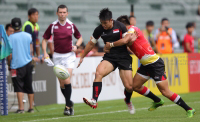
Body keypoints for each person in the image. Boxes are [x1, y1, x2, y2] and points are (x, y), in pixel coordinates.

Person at [104, 15, 196, 118]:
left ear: (122, 24)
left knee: (165, 92)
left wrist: (111, 45)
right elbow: (126, 41)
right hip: (146, 65)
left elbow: (126, 41)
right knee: (135, 86)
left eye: (119, 26)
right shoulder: (128, 33)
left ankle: (189, 109)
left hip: (155, 64)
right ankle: (157, 100)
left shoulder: (132, 29)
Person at [77, 8, 136, 115]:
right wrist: (82, 56)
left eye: (105, 23)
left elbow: (126, 42)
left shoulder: (120, 26)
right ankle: (94, 100)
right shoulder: (99, 29)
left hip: (123, 57)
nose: (103, 25)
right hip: (110, 57)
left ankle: (127, 100)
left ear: (111, 20)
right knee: (98, 72)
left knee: (129, 87)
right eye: (101, 23)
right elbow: (91, 44)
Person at [42, 4, 83, 116]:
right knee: (61, 84)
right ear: (57, 13)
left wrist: (77, 46)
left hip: (69, 56)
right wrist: (45, 53)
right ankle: (69, 102)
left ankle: (68, 107)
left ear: (67, 13)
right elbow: (44, 39)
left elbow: (80, 37)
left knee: (67, 79)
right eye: (60, 12)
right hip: (57, 56)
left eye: (64, 12)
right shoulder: (53, 26)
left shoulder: (71, 25)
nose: (62, 14)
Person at [7, 18, 39, 113]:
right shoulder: (28, 36)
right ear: (21, 26)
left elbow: (10, 54)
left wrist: (9, 64)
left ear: (12, 27)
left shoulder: (10, 38)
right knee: (29, 86)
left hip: (16, 66)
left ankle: (21, 108)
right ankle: (31, 107)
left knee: (18, 87)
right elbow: (31, 50)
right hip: (28, 64)